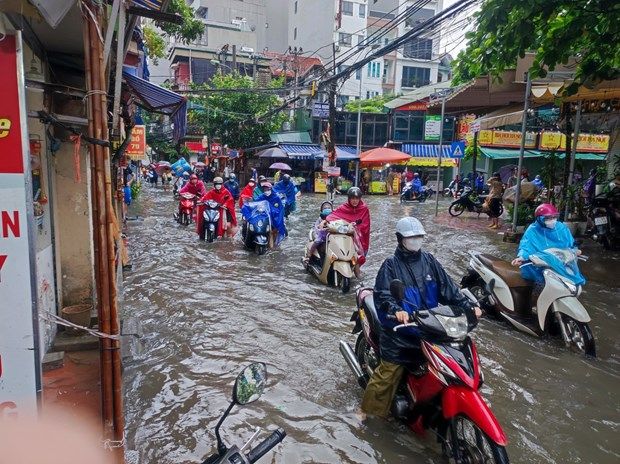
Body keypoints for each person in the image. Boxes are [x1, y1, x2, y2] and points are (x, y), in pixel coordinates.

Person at [361, 217, 481, 419]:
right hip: (401, 333)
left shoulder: (430, 261)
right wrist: (396, 310)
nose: (415, 240)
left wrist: (469, 307)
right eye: (411, 237)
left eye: (419, 236)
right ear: (400, 239)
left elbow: (449, 289)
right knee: (388, 375)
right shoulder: (390, 265)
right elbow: (383, 295)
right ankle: (365, 412)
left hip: (430, 327)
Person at [511, 203, 580, 286]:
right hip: (541, 265)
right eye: (547, 218)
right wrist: (522, 257)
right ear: (539, 219)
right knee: (537, 286)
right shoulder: (533, 230)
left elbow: (571, 243)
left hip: (561, 262)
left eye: (554, 217)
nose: (552, 220)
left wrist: (575, 250)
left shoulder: (561, 227)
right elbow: (526, 245)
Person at [327, 187, 370, 277]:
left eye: (357, 198)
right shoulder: (343, 207)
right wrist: (326, 222)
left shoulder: (364, 208)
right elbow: (332, 216)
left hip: (357, 237)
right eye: (352, 198)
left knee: (357, 252)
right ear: (349, 199)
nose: (355, 201)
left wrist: (356, 228)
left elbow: (365, 224)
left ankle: (357, 272)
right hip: (344, 235)